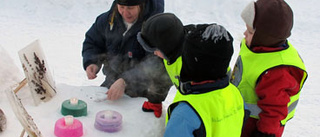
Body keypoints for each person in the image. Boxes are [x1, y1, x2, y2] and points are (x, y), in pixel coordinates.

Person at [137, 13, 244, 137]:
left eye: (155, 49)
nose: (154, 53)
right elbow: (162, 77)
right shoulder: (170, 48)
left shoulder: (196, 58)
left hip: (203, 108)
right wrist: (155, 100)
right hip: (197, 104)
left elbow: (219, 86)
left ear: (166, 46)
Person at [230, 0, 308, 137]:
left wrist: (265, 134)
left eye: (249, 31)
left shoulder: (276, 71)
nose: (244, 34)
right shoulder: (258, 47)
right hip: (239, 117)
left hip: (253, 127)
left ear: (264, 37)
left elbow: (275, 111)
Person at [82, 0, 172, 118]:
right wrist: (92, 61)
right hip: (111, 84)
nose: (125, 12)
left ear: (141, 5)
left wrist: (125, 81)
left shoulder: (155, 27)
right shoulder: (108, 20)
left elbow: (156, 64)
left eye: (130, 8)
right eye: (122, 7)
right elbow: (93, 42)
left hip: (144, 93)